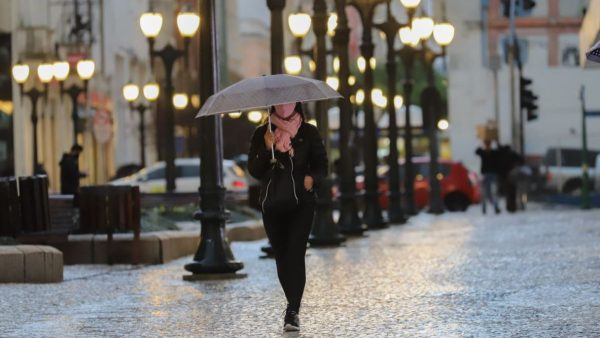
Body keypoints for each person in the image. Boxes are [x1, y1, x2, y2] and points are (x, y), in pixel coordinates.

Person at [247, 102, 327, 332]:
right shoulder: (263, 132)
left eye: (289, 102)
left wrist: (312, 178)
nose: (284, 107)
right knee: (282, 254)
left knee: (295, 251)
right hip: (273, 203)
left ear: (297, 104)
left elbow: (322, 165)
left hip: (302, 202)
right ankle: (292, 306)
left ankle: (292, 311)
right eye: (280, 104)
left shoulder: (308, 132)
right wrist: (266, 147)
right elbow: (254, 169)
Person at [475, 139, 501, 214]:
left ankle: (495, 206)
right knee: (485, 192)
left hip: (492, 174)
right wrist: (481, 144)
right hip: (486, 174)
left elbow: (500, 152)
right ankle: (486, 208)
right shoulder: (483, 152)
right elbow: (477, 151)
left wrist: (497, 143)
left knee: (492, 192)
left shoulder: (493, 152)